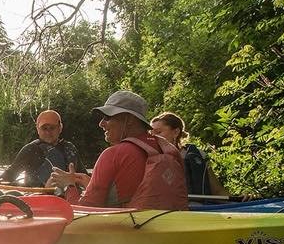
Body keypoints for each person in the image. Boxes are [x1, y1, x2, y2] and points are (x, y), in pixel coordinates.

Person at [48, 90, 188, 210]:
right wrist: (91, 183)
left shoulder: (112, 154)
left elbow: (85, 210)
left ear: (129, 119)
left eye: (107, 117)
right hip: (169, 231)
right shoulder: (169, 150)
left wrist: (68, 186)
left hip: (129, 236)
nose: (101, 124)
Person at [0, 109, 85, 189]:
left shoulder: (70, 149)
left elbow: (85, 178)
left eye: (52, 128)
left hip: (68, 196)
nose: (48, 132)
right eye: (44, 128)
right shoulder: (30, 150)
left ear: (60, 128)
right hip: (38, 197)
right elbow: (8, 177)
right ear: (37, 129)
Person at [150, 112, 228, 196]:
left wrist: (240, 200)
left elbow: (217, 190)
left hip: (197, 206)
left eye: (158, 132)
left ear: (176, 132)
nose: (153, 137)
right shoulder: (149, 158)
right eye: (151, 133)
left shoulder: (196, 155)